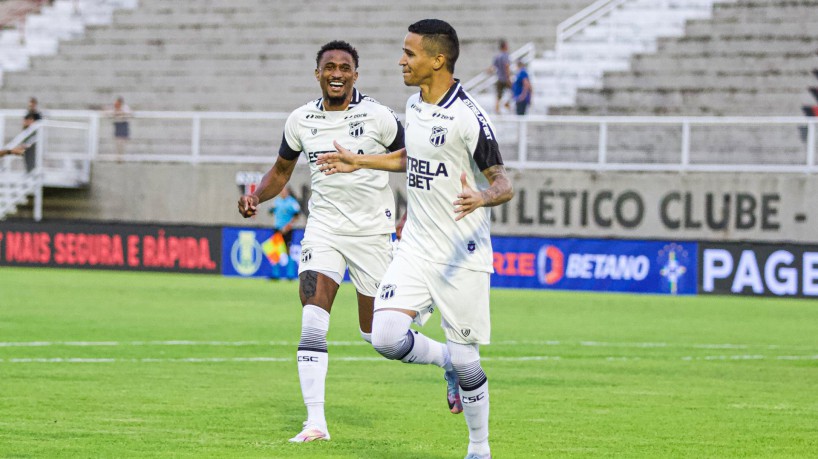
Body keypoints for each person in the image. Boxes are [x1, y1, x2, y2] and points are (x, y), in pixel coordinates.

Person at [317, 19, 514, 459]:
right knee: (384, 336)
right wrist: (358, 161)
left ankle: (478, 448)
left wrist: (481, 196)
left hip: (461, 257)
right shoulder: (416, 104)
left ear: (437, 60)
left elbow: (504, 183)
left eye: (410, 53)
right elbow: (412, 155)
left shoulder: (468, 117)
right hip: (417, 247)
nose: (401, 61)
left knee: (469, 362)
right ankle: (443, 360)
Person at [236, 40, 406, 443]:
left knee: (378, 336)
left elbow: (411, 158)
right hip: (324, 229)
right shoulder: (300, 120)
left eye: (344, 67)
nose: (336, 73)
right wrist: (255, 196)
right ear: (317, 74)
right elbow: (280, 170)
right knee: (313, 318)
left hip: (371, 233)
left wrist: (362, 161)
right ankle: (315, 423)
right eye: (329, 66)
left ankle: (449, 362)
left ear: (355, 75)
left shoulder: (379, 116)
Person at [267, 186, 301, 279]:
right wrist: (271, 209)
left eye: (284, 191)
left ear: (288, 192)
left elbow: (297, 215)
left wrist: (289, 225)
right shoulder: (277, 201)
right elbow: (270, 212)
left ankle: (290, 274)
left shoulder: (292, 202)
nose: (283, 193)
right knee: (275, 250)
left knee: (287, 250)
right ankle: (275, 274)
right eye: (281, 191)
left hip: (287, 229)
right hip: (278, 228)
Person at [489, 39, 512, 114]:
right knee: (514, 91)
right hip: (505, 78)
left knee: (499, 95)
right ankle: (507, 104)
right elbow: (507, 66)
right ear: (504, 46)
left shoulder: (497, 56)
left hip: (499, 78)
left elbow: (493, 67)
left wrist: (488, 71)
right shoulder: (505, 55)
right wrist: (508, 78)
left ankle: (497, 109)